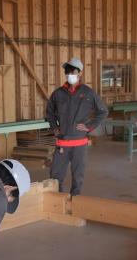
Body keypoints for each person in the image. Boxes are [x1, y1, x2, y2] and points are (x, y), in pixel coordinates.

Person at [45, 58, 108, 196]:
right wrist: (54, 127)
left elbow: (103, 112)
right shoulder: (58, 94)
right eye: (67, 72)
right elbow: (49, 113)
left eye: (72, 72)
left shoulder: (88, 93)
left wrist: (89, 126)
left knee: (78, 178)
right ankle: (58, 203)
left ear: (80, 73)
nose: (69, 75)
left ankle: (75, 202)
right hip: (62, 144)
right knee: (55, 177)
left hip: (80, 145)